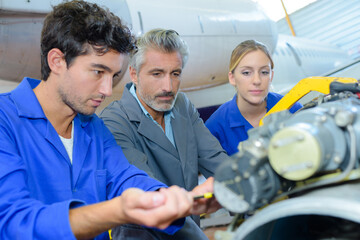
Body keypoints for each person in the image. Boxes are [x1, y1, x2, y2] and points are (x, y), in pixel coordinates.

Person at [0, 2, 219, 239]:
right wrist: (119, 210)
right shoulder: (6, 121)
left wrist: (174, 200)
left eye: (113, 76)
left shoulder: (94, 128)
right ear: (57, 61)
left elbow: (127, 177)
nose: (106, 89)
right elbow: (14, 221)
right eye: (98, 72)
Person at [100, 28, 229, 239]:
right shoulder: (114, 122)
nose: (168, 87)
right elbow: (148, 195)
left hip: (191, 228)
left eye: (175, 74)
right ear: (134, 74)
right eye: (157, 74)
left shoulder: (182, 105)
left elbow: (215, 158)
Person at [205, 40, 303, 156]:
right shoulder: (215, 128)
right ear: (232, 78)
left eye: (264, 72)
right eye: (246, 73)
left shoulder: (293, 109)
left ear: (271, 76)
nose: (257, 81)